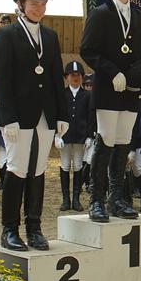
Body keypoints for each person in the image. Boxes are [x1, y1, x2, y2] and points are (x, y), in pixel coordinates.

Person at [0, 0, 69, 251]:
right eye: (35, 3)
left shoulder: (50, 36)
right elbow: (1, 80)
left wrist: (62, 114)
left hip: (45, 114)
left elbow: (55, 77)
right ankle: (9, 230)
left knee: (37, 169)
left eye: (43, 3)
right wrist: (8, 117)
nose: (40, 8)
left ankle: (34, 228)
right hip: (18, 115)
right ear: (20, 4)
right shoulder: (6, 35)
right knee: (17, 168)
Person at [80, 0, 141, 223]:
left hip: (130, 89)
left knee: (123, 141)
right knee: (107, 139)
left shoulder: (139, 16)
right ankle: (96, 200)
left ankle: (117, 198)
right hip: (108, 88)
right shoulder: (101, 13)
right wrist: (112, 72)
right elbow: (87, 50)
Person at [56, 60, 90, 212]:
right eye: (72, 75)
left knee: (77, 165)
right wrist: (56, 135)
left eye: (78, 75)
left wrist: (89, 135)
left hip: (80, 136)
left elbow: (91, 116)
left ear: (82, 77)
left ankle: (76, 199)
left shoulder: (87, 95)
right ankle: (65, 199)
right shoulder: (62, 94)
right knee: (65, 165)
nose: (75, 78)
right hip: (64, 135)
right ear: (66, 77)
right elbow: (56, 115)